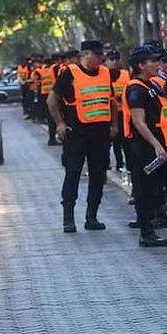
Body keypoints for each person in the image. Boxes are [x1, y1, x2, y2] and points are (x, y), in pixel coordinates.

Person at [48, 40, 117, 233]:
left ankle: (91, 217)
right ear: (85, 54)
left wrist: (114, 125)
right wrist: (60, 123)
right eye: (96, 55)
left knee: (98, 176)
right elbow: (51, 99)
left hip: (100, 134)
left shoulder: (105, 73)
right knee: (73, 174)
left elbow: (112, 102)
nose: (100, 59)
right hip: (76, 134)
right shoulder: (69, 73)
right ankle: (68, 218)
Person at [122, 45, 167, 247]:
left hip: (157, 145)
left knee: (154, 187)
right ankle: (146, 231)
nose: (156, 64)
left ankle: (152, 225)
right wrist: (156, 145)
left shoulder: (151, 85)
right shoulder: (136, 88)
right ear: (141, 65)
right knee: (144, 188)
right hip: (143, 148)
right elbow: (139, 121)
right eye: (152, 61)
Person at [107, 49, 130, 173]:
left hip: (124, 113)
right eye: (111, 59)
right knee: (111, 141)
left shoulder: (126, 74)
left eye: (116, 59)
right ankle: (113, 163)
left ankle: (125, 164)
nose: (114, 62)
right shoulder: (103, 75)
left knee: (125, 140)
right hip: (108, 114)